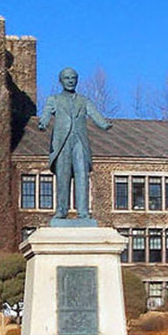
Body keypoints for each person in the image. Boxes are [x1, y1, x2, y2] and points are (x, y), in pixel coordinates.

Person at [37, 67, 112, 221]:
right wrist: (43, 123)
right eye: (67, 78)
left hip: (79, 141)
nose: (70, 81)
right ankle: (61, 210)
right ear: (61, 81)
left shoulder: (84, 100)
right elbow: (46, 113)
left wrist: (104, 124)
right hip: (62, 142)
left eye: (73, 78)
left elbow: (94, 113)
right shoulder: (54, 99)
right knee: (63, 177)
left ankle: (83, 212)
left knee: (82, 175)